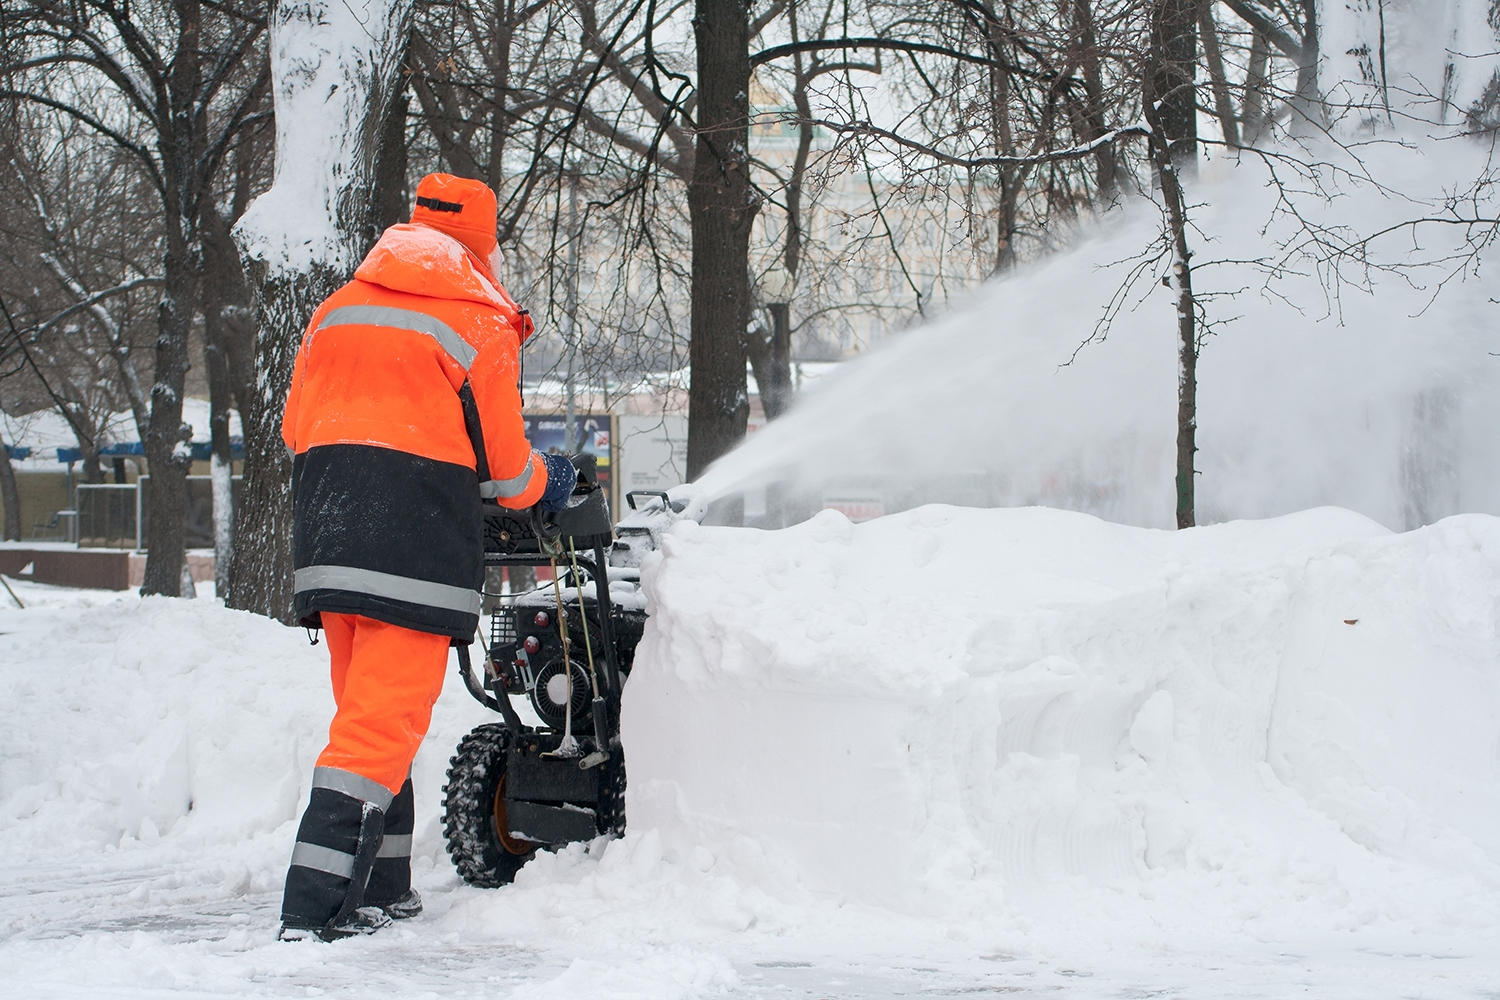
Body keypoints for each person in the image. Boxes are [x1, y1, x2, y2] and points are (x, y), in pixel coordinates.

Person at [276, 173, 577, 941]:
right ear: (483, 244)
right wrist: (556, 479)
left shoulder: (336, 311)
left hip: (329, 543)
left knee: (376, 720)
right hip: (407, 551)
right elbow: (510, 477)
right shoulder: (478, 321)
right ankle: (312, 910)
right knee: (380, 728)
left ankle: (384, 887)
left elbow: (294, 429)